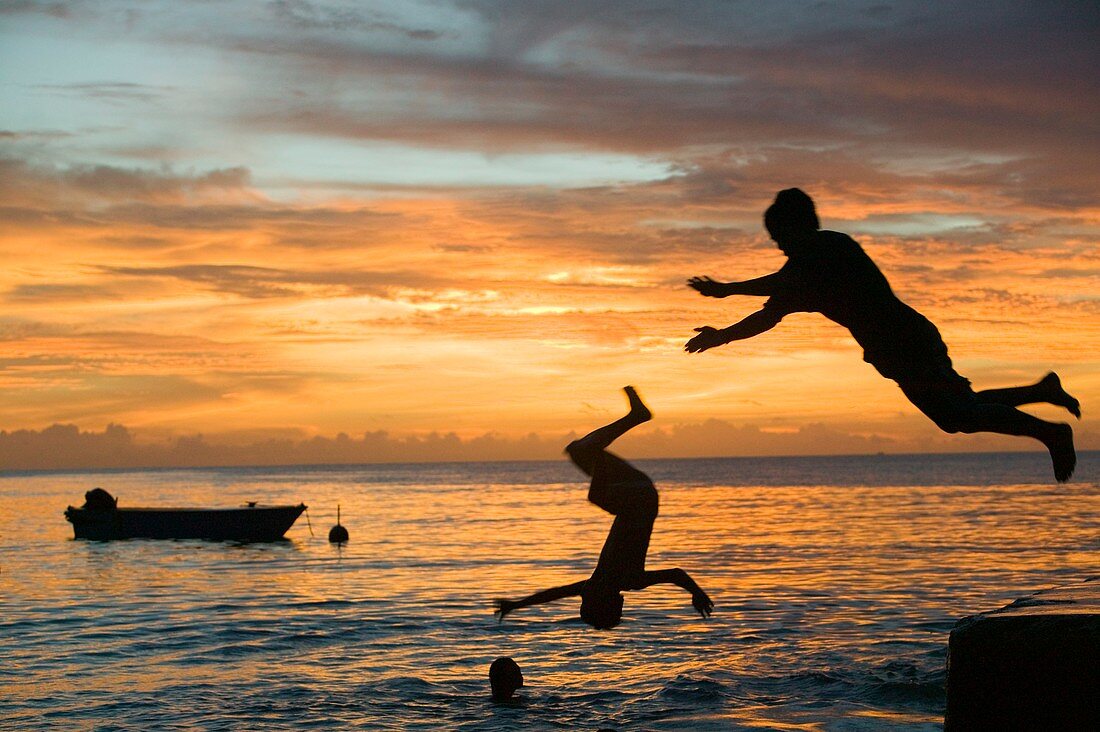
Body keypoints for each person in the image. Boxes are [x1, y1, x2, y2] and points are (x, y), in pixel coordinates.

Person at [685, 188, 1080, 482]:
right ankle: (1042, 391)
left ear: (802, 226)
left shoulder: (831, 249)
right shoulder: (802, 272)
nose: (778, 243)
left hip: (908, 342)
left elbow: (776, 286)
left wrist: (727, 289)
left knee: (961, 414)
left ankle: (1051, 432)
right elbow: (767, 316)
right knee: (959, 412)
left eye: (780, 235)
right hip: (897, 350)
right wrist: (721, 336)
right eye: (774, 238)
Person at [495, 387, 714, 629]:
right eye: (586, 599)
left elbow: (553, 594)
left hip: (634, 494)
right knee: (591, 479)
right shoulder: (629, 579)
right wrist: (697, 592)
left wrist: (515, 605)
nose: (583, 592)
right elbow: (675, 573)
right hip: (638, 497)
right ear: (601, 599)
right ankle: (634, 419)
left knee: (578, 452)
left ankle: (636, 417)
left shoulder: (597, 583)